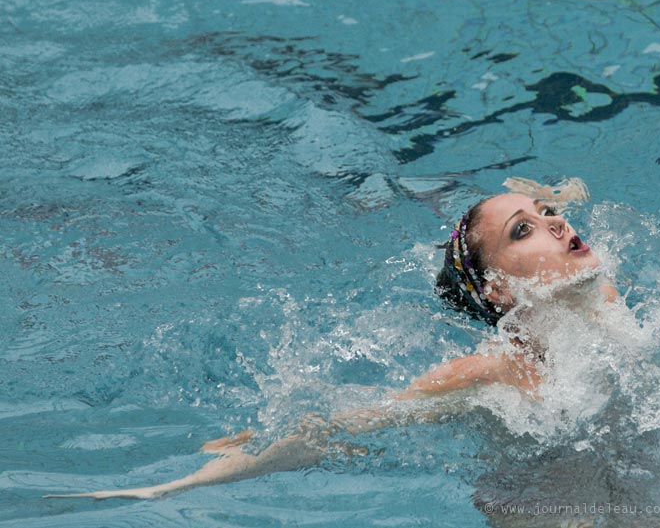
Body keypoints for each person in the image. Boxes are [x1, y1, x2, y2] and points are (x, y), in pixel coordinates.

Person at [45, 177, 618, 501]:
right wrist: (189, 480)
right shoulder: (490, 372)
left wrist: (547, 202)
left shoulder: (604, 301)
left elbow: (561, 237)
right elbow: (338, 424)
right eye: (525, 229)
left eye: (549, 215)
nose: (557, 224)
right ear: (496, 291)